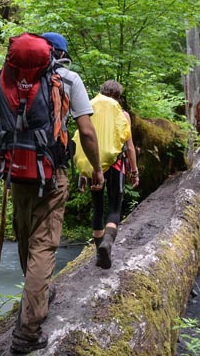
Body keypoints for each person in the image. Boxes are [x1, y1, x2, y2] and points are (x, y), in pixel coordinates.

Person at [0, 32, 104, 354]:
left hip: (16, 172)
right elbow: (87, 130)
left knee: (25, 234)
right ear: (61, 54)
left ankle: (39, 290)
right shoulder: (67, 79)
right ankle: (28, 331)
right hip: (51, 173)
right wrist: (96, 168)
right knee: (44, 244)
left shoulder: (8, 77)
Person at [79, 80, 139, 269]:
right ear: (117, 96)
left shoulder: (89, 109)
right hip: (116, 165)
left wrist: (83, 171)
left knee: (98, 207)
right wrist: (134, 170)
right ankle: (107, 244)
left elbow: (82, 140)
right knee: (114, 208)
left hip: (93, 164)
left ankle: (100, 254)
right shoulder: (123, 115)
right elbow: (129, 147)